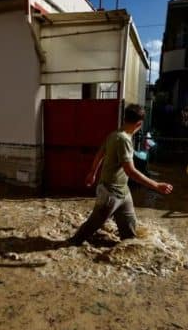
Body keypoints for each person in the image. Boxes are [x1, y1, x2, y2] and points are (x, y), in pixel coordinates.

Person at [67, 104, 173, 246]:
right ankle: (69, 245)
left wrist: (92, 173)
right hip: (110, 193)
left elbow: (100, 153)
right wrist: (156, 185)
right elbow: (130, 171)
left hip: (123, 192)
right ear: (139, 124)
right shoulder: (123, 139)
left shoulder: (114, 134)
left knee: (129, 236)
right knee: (88, 229)